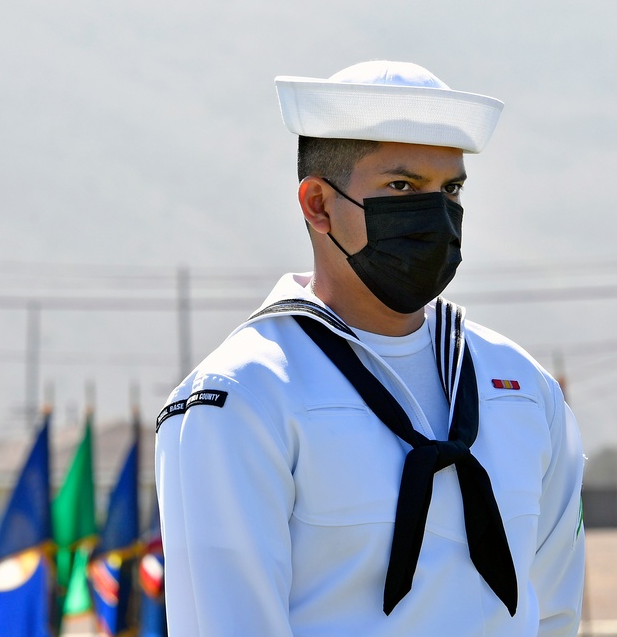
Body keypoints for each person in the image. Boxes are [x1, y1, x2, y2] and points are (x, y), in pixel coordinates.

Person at [155, 60, 586, 637]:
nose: (435, 214)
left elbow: (553, 612)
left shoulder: (522, 389)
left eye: (450, 189)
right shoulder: (243, 397)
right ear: (318, 204)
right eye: (402, 187)